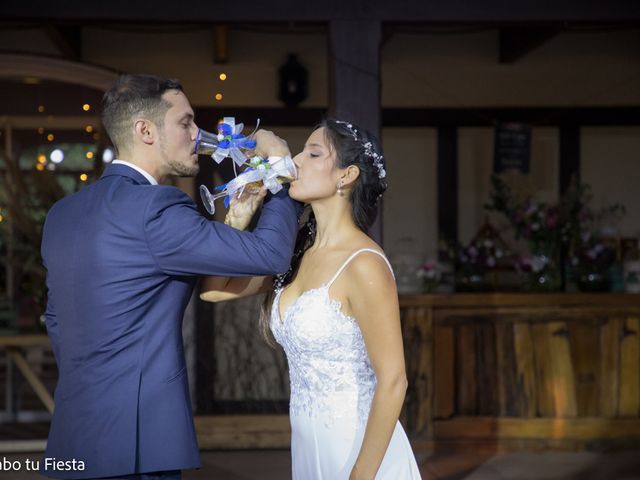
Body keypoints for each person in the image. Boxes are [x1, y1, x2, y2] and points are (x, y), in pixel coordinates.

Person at [40, 74, 302, 479]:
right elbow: (270, 254)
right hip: (137, 446)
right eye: (186, 123)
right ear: (145, 130)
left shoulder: (62, 215)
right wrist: (280, 172)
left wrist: (235, 221)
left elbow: (57, 320)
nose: (198, 136)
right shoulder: (157, 207)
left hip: (72, 439)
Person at [201, 119, 422, 479]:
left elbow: (395, 379)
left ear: (346, 175)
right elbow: (213, 290)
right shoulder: (296, 254)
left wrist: (360, 475)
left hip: (361, 452)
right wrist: (237, 218)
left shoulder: (364, 263)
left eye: (313, 153)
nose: (297, 161)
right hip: (307, 447)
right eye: (301, 151)